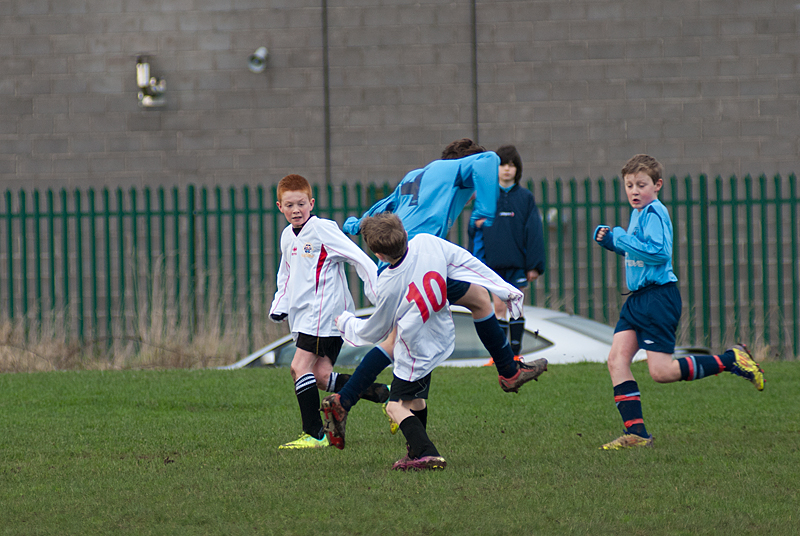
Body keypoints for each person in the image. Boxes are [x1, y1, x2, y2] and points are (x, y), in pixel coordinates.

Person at [328, 139, 548, 435]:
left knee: (407, 337)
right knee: (479, 302)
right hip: (417, 260)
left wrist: (357, 225)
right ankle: (508, 371)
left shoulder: (415, 176)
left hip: (393, 268)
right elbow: (489, 160)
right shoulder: (457, 169)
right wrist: (486, 208)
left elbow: (385, 207)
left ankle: (349, 402)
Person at [325, 214, 539, 470]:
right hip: (439, 334)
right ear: (405, 232)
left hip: (414, 348)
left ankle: (427, 453)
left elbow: (375, 328)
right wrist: (506, 290)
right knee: (416, 401)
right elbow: (466, 262)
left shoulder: (389, 282)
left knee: (394, 406)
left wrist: (346, 322)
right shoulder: (427, 242)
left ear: (379, 256)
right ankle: (415, 452)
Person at [593, 154, 765, 450]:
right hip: (637, 300)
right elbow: (640, 252)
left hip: (658, 298)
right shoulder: (638, 213)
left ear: (657, 185)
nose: (634, 191)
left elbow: (659, 253)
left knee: (661, 372)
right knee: (616, 360)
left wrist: (619, 239)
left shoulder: (655, 212)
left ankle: (731, 360)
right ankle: (636, 434)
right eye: (629, 185)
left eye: (641, 184)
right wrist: (613, 244)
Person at [269, 174, 390, 449]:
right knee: (322, 377)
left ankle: (314, 434)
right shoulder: (287, 236)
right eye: (289, 205)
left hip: (323, 315)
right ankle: (386, 393)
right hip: (305, 317)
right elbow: (285, 275)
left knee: (298, 368)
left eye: (301, 204)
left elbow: (357, 256)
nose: (296, 210)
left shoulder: (323, 229)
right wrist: (280, 305)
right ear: (280, 207)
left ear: (311, 203)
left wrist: (379, 292)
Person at [469, 144, 546, 358]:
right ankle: (499, 356)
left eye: (512, 165)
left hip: (517, 265)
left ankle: (515, 353)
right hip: (493, 265)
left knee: (516, 307)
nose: (507, 169)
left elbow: (534, 233)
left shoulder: (525, 198)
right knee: (498, 308)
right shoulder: (486, 197)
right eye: (503, 164)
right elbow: (473, 231)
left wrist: (534, 266)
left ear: (517, 169)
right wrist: (476, 225)